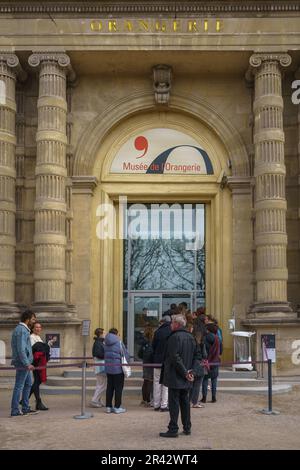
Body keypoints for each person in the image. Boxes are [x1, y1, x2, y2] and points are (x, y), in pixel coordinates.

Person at [159, 314, 197, 438]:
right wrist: (191, 372)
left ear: (176, 324)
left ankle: (173, 428)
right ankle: (187, 427)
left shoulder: (174, 337)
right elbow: (197, 357)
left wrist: (186, 372)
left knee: (174, 403)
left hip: (176, 375)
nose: (170, 325)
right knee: (185, 402)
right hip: (185, 375)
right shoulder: (191, 337)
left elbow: (175, 358)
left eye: (172, 323)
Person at [10, 309, 38, 417]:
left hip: (24, 362)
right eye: (33, 319)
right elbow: (21, 349)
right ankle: (15, 410)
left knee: (28, 384)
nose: (34, 321)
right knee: (19, 386)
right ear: (27, 319)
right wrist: (27, 363)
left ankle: (25, 408)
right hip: (23, 363)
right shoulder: (22, 330)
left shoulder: (22, 329)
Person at [104, 328, 129, 414]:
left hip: (108, 368)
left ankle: (108, 406)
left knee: (109, 387)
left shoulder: (105, 342)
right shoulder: (119, 342)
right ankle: (117, 407)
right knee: (118, 388)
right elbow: (125, 354)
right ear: (116, 334)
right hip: (118, 368)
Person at [152, 315, 172, 412]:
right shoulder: (172, 331)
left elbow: (153, 346)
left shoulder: (157, 332)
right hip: (167, 361)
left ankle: (156, 404)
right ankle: (164, 405)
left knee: (156, 383)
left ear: (162, 322)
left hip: (157, 361)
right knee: (166, 384)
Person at [29, 322, 50, 411]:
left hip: (41, 361)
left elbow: (42, 348)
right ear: (33, 328)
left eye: (39, 327)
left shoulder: (38, 337)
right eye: (36, 327)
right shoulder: (31, 337)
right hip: (36, 362)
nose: (38, 329)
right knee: (37, 381)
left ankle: (27, 400)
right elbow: (34, 349)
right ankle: (38, 402)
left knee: (37, 381)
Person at [201, 322, 222, 403]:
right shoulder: (217, 338)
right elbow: (220, 350)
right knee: (214, 380)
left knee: (205, 379)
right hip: (215, 360)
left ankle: (204, 397)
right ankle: (213, 397)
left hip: (207, 361)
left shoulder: (205, 338)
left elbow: (204, 349)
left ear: (208, 330)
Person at [189, 327, 207, 408]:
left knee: (190, 384)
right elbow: (205, 355)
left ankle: (189, 401)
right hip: (199, 364)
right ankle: (194, 402)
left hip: (191, 364)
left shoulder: (190, 342)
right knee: (197, 385)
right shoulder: (202, 344)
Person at [138, 325, 154, 407]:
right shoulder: (151, 342)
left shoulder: (144, 342)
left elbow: (139, 354)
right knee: (150, 382)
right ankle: (148, 400)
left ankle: (144, 399)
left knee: (146, 381)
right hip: (151, 363)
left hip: (145, 362)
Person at [90, 328, 106, 408]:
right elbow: (98, 354)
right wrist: (106, 355)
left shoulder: (99, 342)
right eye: (104, 332)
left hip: (100, 365)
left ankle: (98, 400)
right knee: (102, 384)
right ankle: (95, 400)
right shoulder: (98, 343)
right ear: (101, 334)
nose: (105, 333)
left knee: (100, 384)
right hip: (100, 365)